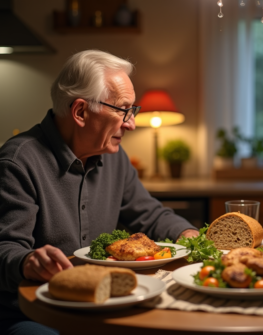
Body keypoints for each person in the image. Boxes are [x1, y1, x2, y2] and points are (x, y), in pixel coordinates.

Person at [0, 50, 199, 334]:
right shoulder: (18, 161)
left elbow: (151, 214)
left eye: (133, 111)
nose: (130, 123)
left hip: (98, 307)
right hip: (31, 314)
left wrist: (187, 234)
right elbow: (5, 248)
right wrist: (28, 261)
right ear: (80, 111)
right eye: (123, 110)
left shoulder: (114, 157)